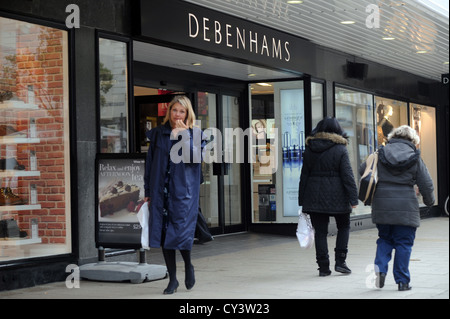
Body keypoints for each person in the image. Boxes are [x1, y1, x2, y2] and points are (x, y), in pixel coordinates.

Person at [144, 95, 206, 295]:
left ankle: (188, 265)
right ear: (169, 111)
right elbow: (150, 163)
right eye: (174, 110)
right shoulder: (158, 134)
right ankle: (172, 279)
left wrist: (182, 135)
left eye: (182, 111)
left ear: (188, 114)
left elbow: (195, 160)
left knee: (180, 232)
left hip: (183, 193)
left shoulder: (195, 133)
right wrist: (147, 191)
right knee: (164, 235)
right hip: (160, 190)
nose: (177, 115)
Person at [360, 125, 434, 291]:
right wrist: (430, 202)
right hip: (406, 207)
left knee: (384, 239)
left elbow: (362, 170)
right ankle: (402, 282)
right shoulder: (415, 157)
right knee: (404, 243)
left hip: (382, 205)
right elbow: (426, 184)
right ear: (413, 140)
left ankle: (380, 271)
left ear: (393, 137)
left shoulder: (380, 154)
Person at [298, 117, 358, 276]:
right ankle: (341, 261)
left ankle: (323, 267)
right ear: (338, 130)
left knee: (321, 231)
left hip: (314, 195)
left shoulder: (310, 147)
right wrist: (353, 198)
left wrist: (302, 199)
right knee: (344, 226)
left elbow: (304, 175)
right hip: (338, 195)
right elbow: (348, 175)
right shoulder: (340, 148)